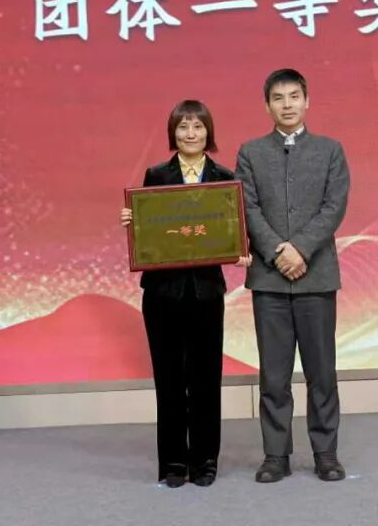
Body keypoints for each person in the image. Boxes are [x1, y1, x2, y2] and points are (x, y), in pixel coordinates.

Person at [120, 99, 252, 488]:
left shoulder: (224, 178)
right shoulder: (156, 175)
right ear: (172, 133)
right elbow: (150, 232)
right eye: (183, 127)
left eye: (197, 126)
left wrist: (239, 249)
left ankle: (205, 461)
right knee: (169, 379)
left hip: (206, 292)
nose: (190, 134)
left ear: (208, 132)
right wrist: (133, 221)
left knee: (206, 379)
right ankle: (174, 463)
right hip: (162, 294)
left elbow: (229, 231)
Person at [235, 69, 351, 483]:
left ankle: (326, 453)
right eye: (278, 98)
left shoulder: (330, 150)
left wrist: (300, 249)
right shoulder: (250, 153)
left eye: (294, 96)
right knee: (273, 375)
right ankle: (275, 456)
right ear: (267, 106)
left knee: (322, 373)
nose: (287, 104)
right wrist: (276, 251)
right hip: (269, 281)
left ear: (307, 101)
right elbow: (247, 208)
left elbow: (334, 207)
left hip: (316, 276)